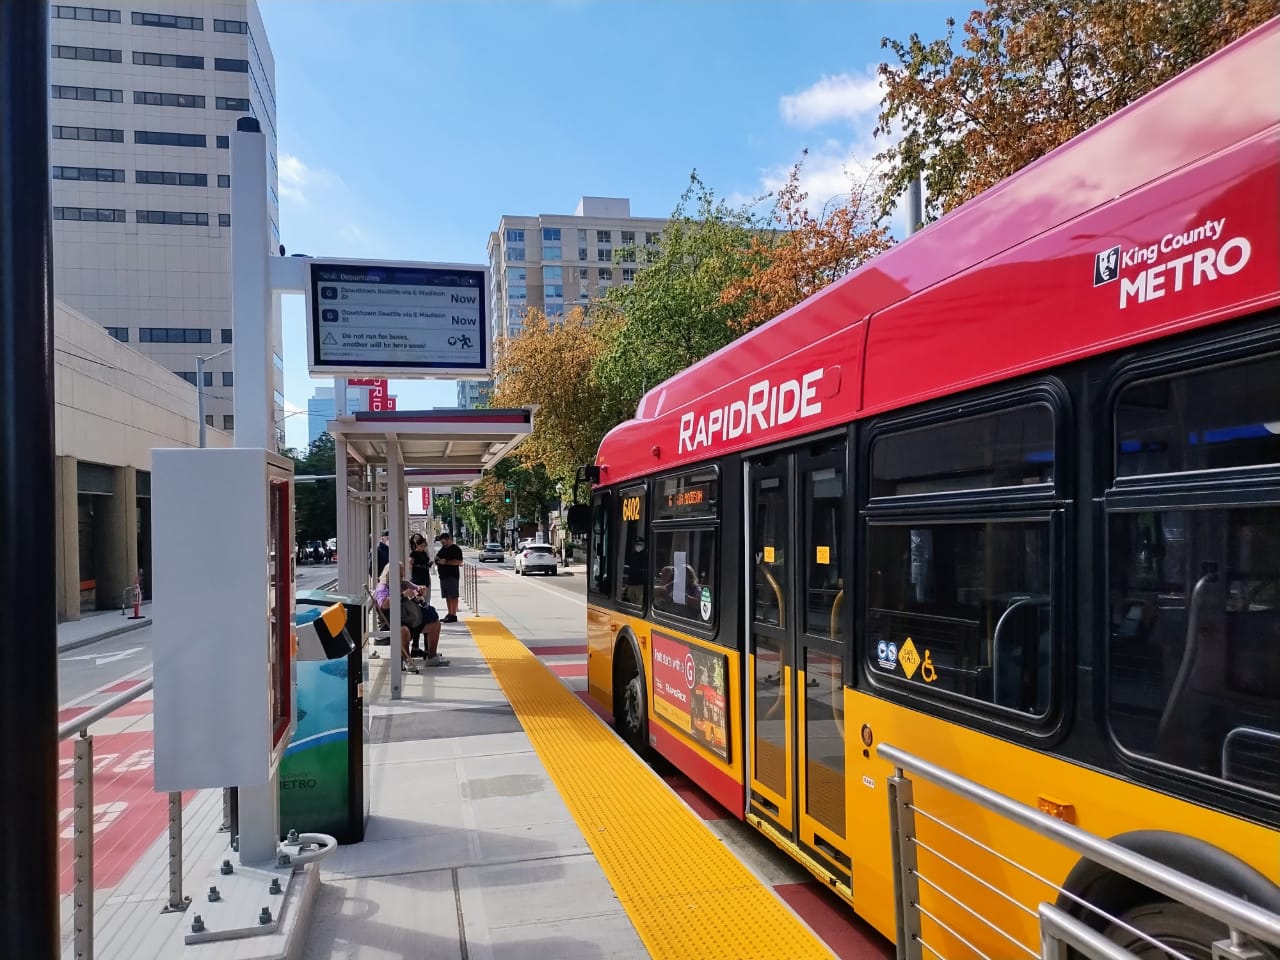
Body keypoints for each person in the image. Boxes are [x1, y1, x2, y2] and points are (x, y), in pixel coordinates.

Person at [434, 531, 464, 623]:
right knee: (447, 595)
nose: (443, 543)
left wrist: (446, 562)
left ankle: (453, 614)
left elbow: (459, 562)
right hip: (443, 576)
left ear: (449, 540)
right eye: (442, 542)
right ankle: (449, 613)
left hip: (452, 575)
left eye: (444, 541)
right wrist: (437, 560)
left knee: (453, 595)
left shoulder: (455, 549)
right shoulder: (443, 549)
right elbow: (438, 557)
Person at [409, 533, 433, 603]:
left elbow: (426, 561)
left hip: (425, 575)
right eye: (422, 546)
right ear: (417, 545)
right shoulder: (414, 554)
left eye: (424, 546)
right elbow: (410, 563)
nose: (423, 548)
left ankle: (426, 607)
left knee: (426, 595)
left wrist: (429, 564)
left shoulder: (424, 553)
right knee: (419, 595)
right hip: (417, 576)